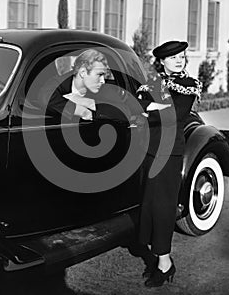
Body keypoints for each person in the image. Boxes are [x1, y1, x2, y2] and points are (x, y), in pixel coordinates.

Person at [128, 40, 202, 287]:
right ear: (161, 61)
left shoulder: (188, 85)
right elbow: (137, 110)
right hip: (148, 151)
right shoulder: (151, 84)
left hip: (169, 153)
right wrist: (151, 108)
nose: (179, 60)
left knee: (162, 207)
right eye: (173, 58)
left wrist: (150, 109)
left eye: (181, 56)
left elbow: (174, 115)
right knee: (149, 205)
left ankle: (165, 263)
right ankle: (159, 257)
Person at [44, 48, 131, 122]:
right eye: (99, 75)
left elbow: (125, 112)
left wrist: (87, 102)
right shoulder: (58, 83)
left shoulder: (104, 89)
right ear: (83, 72)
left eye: (104, 75)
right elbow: (45, 97)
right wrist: (80, 111)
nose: (103, 81)